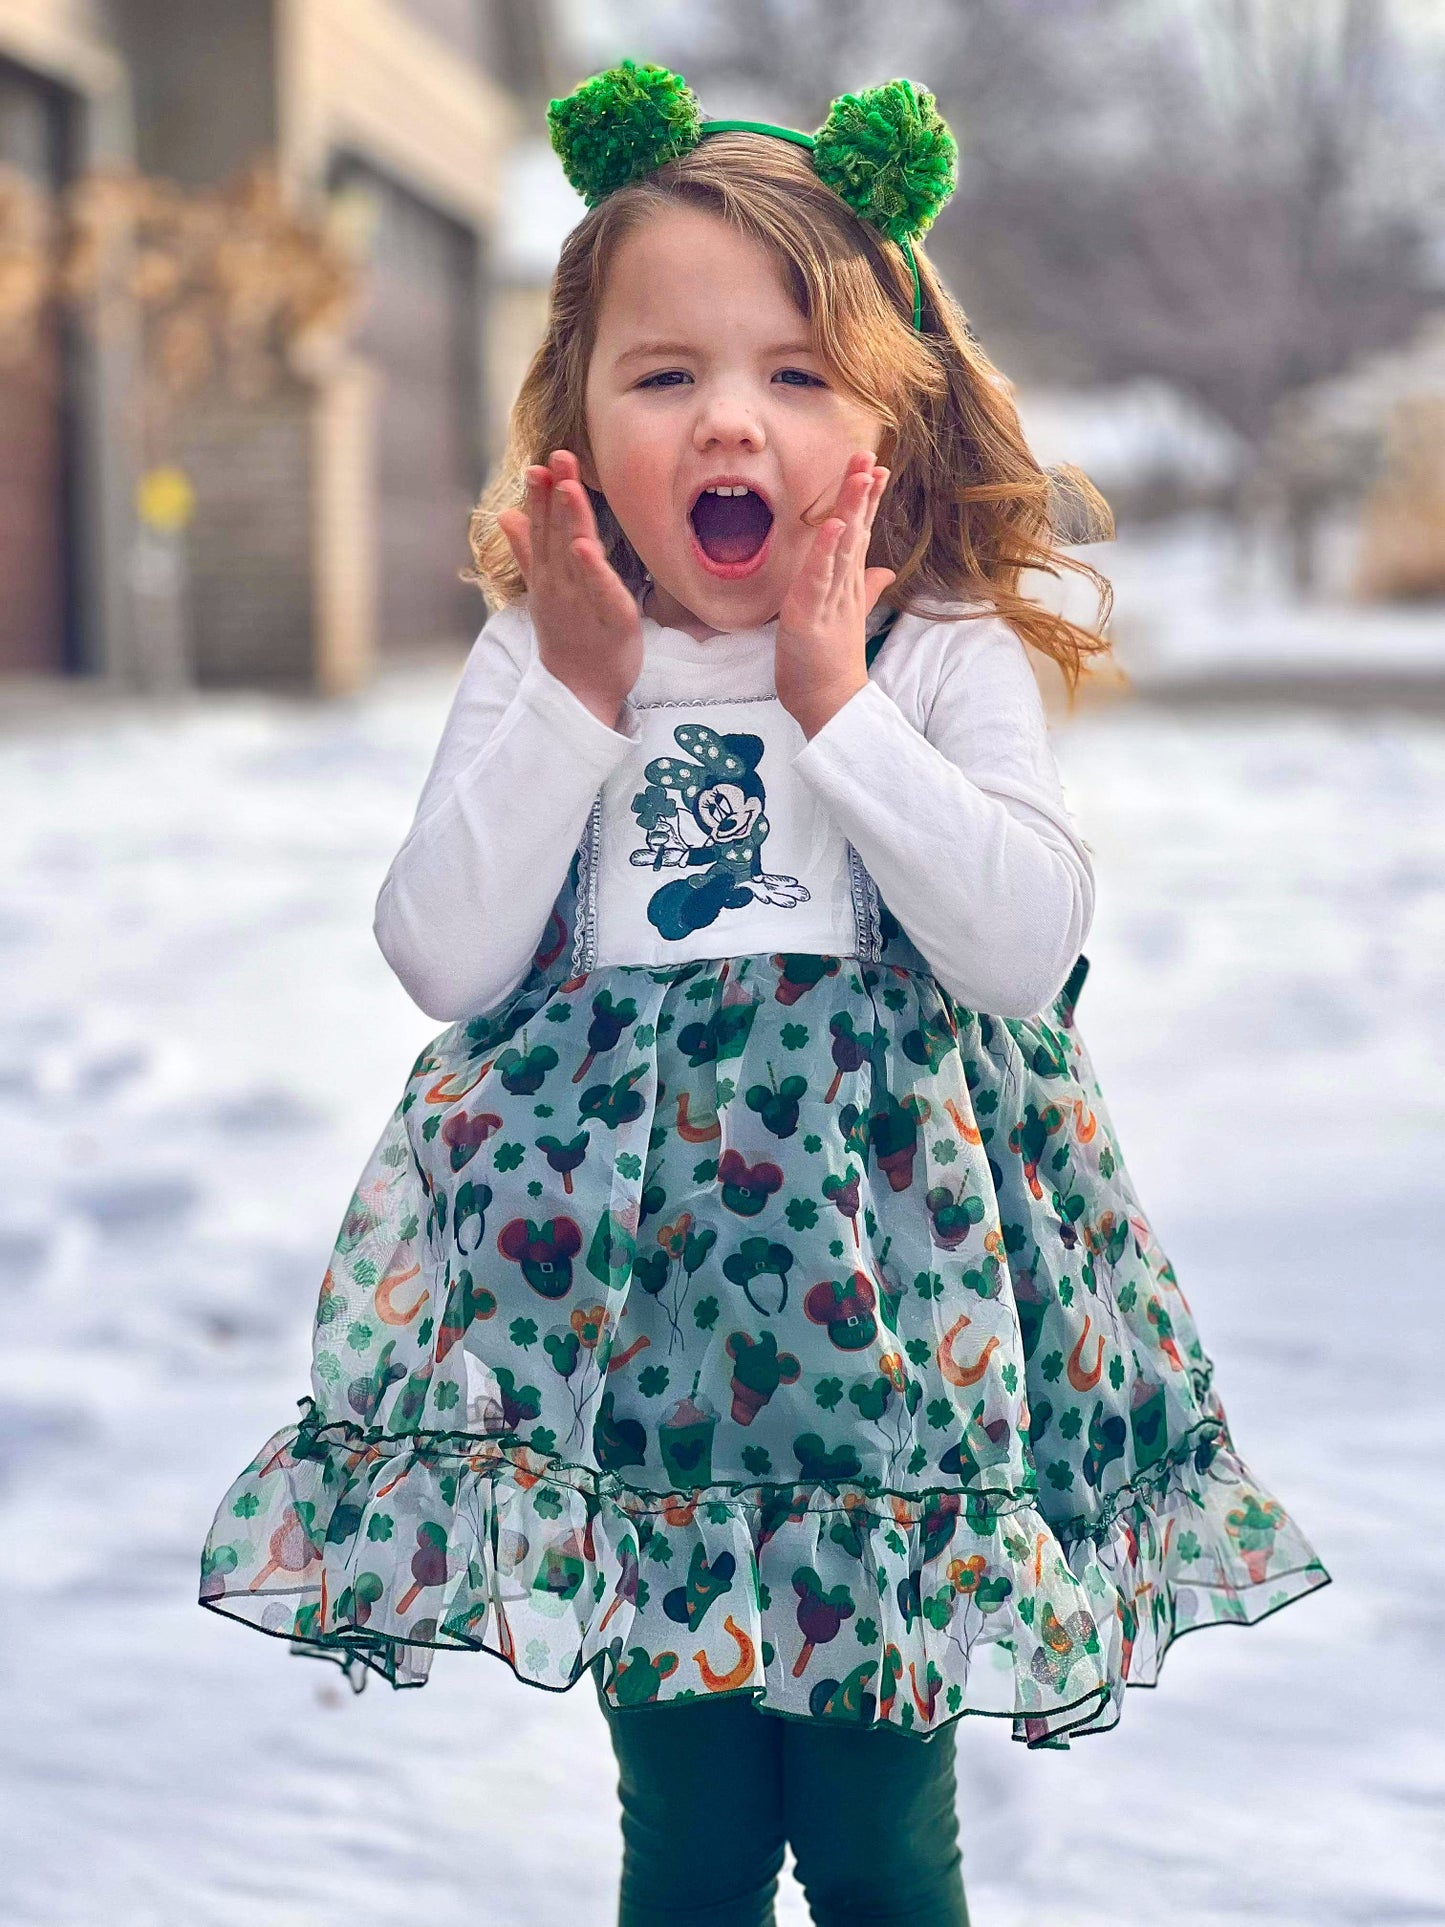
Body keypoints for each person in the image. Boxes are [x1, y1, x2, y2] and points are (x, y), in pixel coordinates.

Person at [199, 63, 1331, 1927]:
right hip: (635, 1338)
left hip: (899, 1331)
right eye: (664, 373)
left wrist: (834, 705)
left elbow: (1021, 951)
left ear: (887, 412)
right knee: (697, 1835)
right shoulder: (547, 649)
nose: (731, 415)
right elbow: (442, 956)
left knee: (882, 1835)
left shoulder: (936, 646)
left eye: (796, 374)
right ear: (573, 413)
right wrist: (573, 692)